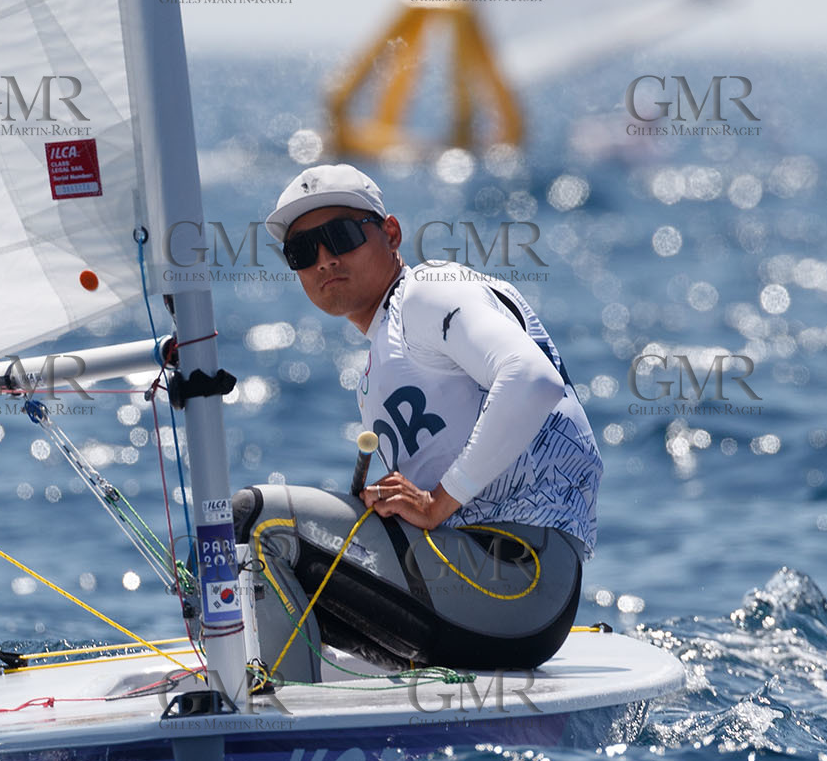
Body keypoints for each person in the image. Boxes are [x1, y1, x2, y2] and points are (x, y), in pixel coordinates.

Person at [230, 163, 603, 675]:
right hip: (476, 586)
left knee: (258, 520)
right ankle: (258, 683)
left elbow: (531, 379)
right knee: (221, 560)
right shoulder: (379, 362)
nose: (324, 260)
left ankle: (267, 719)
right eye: (302, 251)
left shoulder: (428, 293)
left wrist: (437, 501)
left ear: (390, 233)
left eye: (339, 236)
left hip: (523, 581)